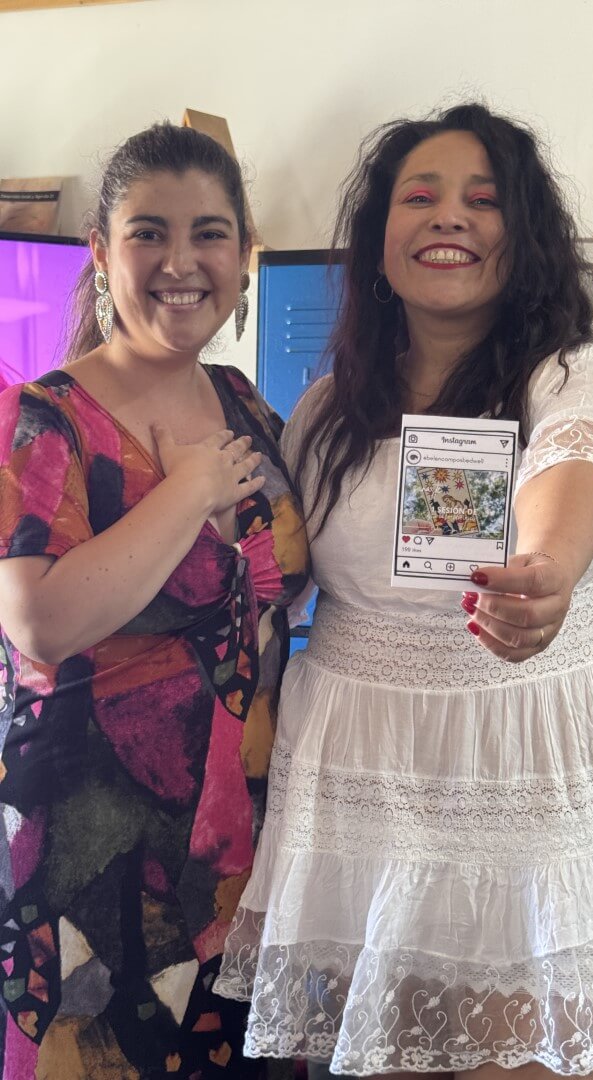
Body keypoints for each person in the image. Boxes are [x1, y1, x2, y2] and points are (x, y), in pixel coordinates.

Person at [214, 103, 593, 1080]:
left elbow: (570, 468)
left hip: (510, 782)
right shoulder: (324, 409)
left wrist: (544, 574)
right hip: (364, 785)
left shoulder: (570, 376)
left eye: (484, 200)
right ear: (380, 242)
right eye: (419, 196)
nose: (448, 215)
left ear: (526, 237)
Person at [0, 122, 308, 1078]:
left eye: (210, 233)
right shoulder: (43, 418)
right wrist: (187, 492)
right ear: (101, 252)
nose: (181, 262)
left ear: (244, 252)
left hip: (245, 841)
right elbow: (42, 621)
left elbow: (290, 585)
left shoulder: (246, 404)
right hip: (98, 856)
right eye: (149, 233)